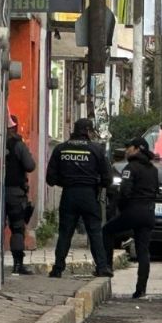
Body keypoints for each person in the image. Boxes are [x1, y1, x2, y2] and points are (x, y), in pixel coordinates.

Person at [46, 118, 113, 278]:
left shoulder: (61, 149)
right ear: (88, 131)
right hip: (89, 195)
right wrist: (96, 183)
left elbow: (50, 179)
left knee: (65, 233)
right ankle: (102, 267)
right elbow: (107, 179)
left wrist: (67, 181)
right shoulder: (96, 150)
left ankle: (58, 269)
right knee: (95, 232)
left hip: (69, 195)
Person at [103, 137, 160, 298]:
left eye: (129, 147)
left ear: (137, 149)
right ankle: (141, 289)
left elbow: (125, 192)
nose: (127, 150)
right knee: (143, 251)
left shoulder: (130, 167)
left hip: (133, 210)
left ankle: (106, 267)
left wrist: (120, 208)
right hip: (148, 212)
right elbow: (156, 190)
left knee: (107, 231)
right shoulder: (153, 169)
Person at [5, 115, 36, 275]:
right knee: (17, 228)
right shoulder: (18, 145)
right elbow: (30, 166)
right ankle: (18, 264)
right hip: (15, 193)